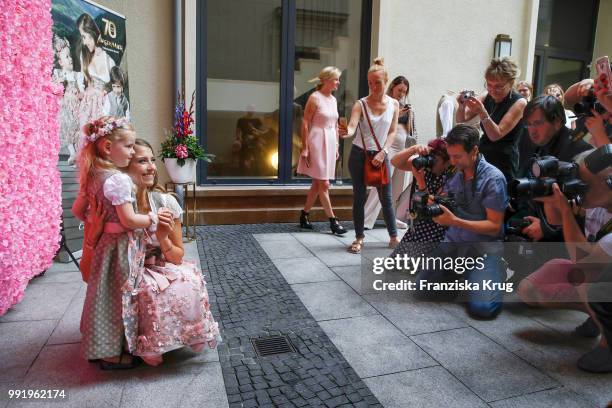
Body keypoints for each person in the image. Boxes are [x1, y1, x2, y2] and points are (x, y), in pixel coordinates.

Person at [517, 146, 612, 372]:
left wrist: (567, 212)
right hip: (600, 272)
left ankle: (609, 346)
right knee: (529, 288)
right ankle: (600, 317)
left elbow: (584, 263)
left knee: (584, 276)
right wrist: (551, 200)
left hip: (597, 274)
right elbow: (557, 224)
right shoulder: (598, 204)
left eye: (585, 184)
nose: (579, 189)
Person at [72, 116, 156, 370]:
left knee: (101, 295)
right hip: (120, 246)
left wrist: (98, 220)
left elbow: (77, 211)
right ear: (108, 147)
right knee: (119, 298)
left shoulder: (93, 174)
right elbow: (129, 220)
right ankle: (111, 354)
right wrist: (151, 218)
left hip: (102, 245)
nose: (132, 153)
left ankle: (100, 345)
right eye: (129, 146)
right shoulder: (117, 179)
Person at [126, 139, 220, 366]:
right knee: (146, 288)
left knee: (188, 279)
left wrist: (162, 236)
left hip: (161, 263)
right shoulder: (121, 204)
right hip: (132, 267)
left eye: (152, 160)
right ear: (124, 168)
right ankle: (151, 345)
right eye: (142, 161)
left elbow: (177, 256)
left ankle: (189, 334)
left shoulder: (165, 201)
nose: (151, 167)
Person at [416, 124, 509, 318]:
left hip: (482, 249)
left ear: (474, 150)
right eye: (450, 155)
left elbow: (494, 227)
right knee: (421, 289)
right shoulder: (455, 172)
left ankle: (492, 273)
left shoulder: (493, 178)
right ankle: (467, 279)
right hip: (453, 244)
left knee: (483, 309)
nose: (453, 161)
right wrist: (434, 200)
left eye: (458, 156)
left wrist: (455, 221)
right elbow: (446, 200)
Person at [339, 58, 399, 253]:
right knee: (359, 196)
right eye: (370, 82)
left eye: (377, 82)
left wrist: (384, 152)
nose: (373, 86)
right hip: (359, 155)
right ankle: (359, 237)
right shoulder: (361, 104)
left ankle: (394, 237)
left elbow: (392, 132)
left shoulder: (394, 104)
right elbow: (351, 127)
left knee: (386, 198)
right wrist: (345, 132)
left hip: (381, 156)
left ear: (386, 81)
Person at [515, 95, 592, 242]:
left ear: (557, 122)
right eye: (529, 124)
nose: (532, 130)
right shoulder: (540, 145)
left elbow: (585, 209)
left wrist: (545, 228)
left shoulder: (580, 153)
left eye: (537, 123)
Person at [457, 57, 527, 183]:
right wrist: (461, 105)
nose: (493, 90)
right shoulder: (486, 95)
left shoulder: (520, 102)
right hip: (483, 157)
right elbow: (462, 120)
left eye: (499, 86)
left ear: (511, 83)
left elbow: (496, 135)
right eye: (489, 84)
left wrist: (482, 112)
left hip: (503, 160)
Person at [297, 66, 347, 235]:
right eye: (336, 79)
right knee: (324, 183)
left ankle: (304, 215)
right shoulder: (314, 97)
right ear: (325, 80)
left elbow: (334, 125)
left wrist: (337, 146)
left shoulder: (333, 99)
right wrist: (305, 147)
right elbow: (305, 122)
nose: (338, 82)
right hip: (317, 140)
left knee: (316, 184)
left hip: (331, 141)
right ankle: (333, 221)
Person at [364, 75, 416, 230]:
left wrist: (410, 116)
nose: (401, 94)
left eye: (404, 91)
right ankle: (366, 219)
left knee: (398, 186)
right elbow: (379, 123)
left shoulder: (406, 106)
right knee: (381, 183)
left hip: (404, 149)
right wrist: (398, 114)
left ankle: (391, 218)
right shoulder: (384, 102)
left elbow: (411, 131)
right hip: (388, 147)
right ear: (392, 87)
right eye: (399, 90)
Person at [390, 138, 453, 258]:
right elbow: (395, 162)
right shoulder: (426, 166)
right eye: (430, 157)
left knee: (416, 265)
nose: (431, 162)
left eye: (436, 159)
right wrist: (414, 149)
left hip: (437, 225)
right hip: (421, 221)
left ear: (447, 161)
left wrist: (420, 181)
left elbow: (432, 205)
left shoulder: (452, 175)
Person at [77, 13, 116, 145]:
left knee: (102, 141)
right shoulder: (84, 55)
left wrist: (105, 91)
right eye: (82, 37)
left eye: (87, 36)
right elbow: (84, 80)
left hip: (104, 104)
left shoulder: (108, 60)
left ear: (94, 33)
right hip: (88, 103)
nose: (85, 41)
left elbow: (115, 82)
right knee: (86, 138)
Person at [53, 35, 83, 165]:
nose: (70, 59)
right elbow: (55, 88)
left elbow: (81, 90)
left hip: (75, 106)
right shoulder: (58, 73)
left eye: (70, 56)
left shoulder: (77, 75)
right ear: (60, 62)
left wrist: (80, 93)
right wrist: (59, 84)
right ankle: (72, 153)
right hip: (64, 106)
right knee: (66, 128)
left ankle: (79, 153)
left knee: (77, 129)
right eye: (66, 57)